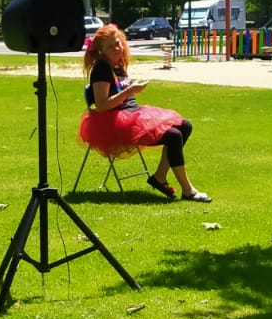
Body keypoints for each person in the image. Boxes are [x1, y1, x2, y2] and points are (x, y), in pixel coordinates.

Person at [78, 24, 210, 202]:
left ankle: (159, 177)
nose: (117, 48)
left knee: (184, 126)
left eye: (118, 44)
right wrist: (130, 90)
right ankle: (188, 190)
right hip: (115, 122)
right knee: (173, 136)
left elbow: (125, 95)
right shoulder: (102, 69)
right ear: (101, 51)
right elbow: (101, 105)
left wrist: (131, 90)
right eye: (111, 46)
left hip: (134, 114)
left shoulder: (117, 65)